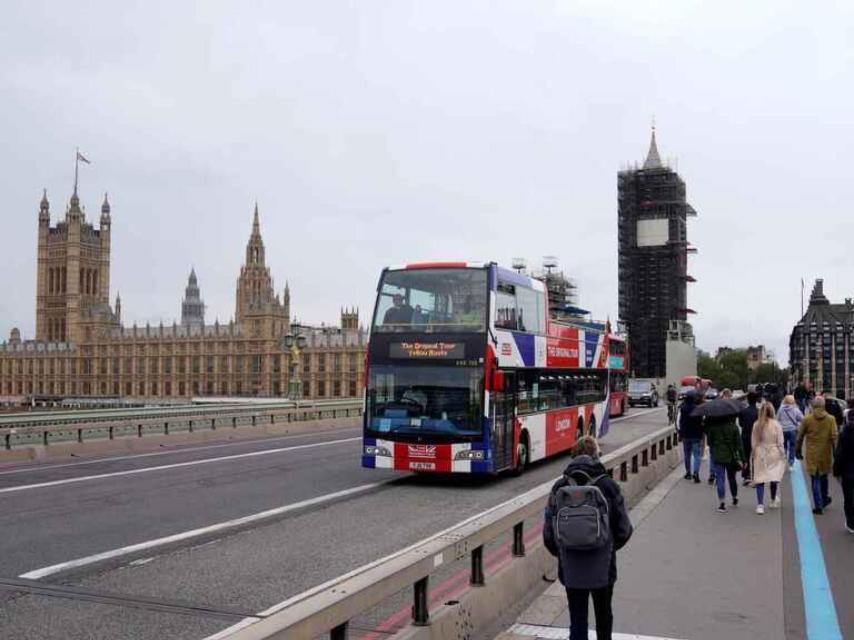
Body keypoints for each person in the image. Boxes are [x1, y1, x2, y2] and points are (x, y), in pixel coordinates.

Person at [543, 436, 633, 640]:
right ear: (596, 456)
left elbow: (549, 534)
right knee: (603, 614)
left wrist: (564, 551)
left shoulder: (559, 487)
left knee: (577, 617)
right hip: (603, 565)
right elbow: (624, 529)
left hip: (571, 565)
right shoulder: (608, 485)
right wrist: (607, 547)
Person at [796, 396, 839, 515]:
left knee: (815, 479)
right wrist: (836, 454)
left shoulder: (807, 419)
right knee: (824, 476)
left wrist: (798, 450)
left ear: (813, 405)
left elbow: (799, 437)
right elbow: (834, 437)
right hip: (825, 453)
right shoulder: (831, 419)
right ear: (824, 405)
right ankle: (824, 498)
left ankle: (818, 505)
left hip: (812, 453)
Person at [751, 402, 786, 514]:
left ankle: (760, 505)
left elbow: (753, 442)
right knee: (773, 477)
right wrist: (782, 454)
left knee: (760, 478)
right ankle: (772, 499)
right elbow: (780, 442)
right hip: (774, 451)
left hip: (760, 451)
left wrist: (754, 452)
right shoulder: (776, 424)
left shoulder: (756, 424)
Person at [706, 413, 745, 512]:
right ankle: (734, 496)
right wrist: (743, 459)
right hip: (731, 457)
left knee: (720, 479)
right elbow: (739, 445)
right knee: (732, 478)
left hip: (718, 456)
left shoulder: (713, 428)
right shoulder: (734, 427)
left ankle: (722, 502)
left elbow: (709, 442)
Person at [832, 410, 854, 533]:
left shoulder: (844, 434)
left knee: (848, 497)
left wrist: (836, 471)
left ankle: (851, 523)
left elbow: (839, 455)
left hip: (848, 471)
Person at [678, 390, 703, 482]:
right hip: (696, 434)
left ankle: (688, 472)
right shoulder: (698, 409)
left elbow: (680, 421)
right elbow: (701, 422)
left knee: (687, 454)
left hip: (686, 435)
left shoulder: (683, 408)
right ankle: (696, 472)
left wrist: (680, 433)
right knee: (697, 455)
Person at [777, 395, 804, 470]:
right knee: (792, 447)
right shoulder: (795, 409)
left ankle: (783, 460)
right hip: (792, 430)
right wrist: (797, 423)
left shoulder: (780, 409)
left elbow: (778, 419)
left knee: (783, 446)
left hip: (783, 430)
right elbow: (802, 419)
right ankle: (791, 464)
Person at [738, 392, 760, 486]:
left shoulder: (743, 411)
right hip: (756, 436)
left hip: (746, 435)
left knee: (745, 456)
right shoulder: (759, 412)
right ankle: (755, 475)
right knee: (755, 456)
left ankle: (746, 476)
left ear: (748, 400)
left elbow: (741, 424)